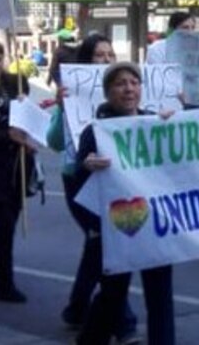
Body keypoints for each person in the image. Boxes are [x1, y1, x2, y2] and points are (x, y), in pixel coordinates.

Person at [74, 62, 175, 345]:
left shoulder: (155, 123)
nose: (129, 89)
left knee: (160, 296)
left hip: (155, 222)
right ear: (108, 93)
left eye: (134, 82)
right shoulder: (95, 132)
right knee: (113, 294)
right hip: (117, 226)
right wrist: (88, 164)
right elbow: (80, 178)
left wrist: (173, 124)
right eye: (120, 84)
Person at [47, 35, 140, 343]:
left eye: (109, 54)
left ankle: (77, 310)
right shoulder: (71, 93)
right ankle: (123, 324)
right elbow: (55, 142)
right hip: (79, 179)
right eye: (99, 55)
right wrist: (62, 107)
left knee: (98, 247)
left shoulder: (123, 92)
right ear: (87, 60)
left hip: (115, 181)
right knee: (107, 246)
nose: (105, 59)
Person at [0, 39, 33, 303]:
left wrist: (25, 112)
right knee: (2, 225)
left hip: (15, 166)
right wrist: (6, 135)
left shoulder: (14, 82)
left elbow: (26, 117)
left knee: (8, 222)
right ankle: (6, 283)